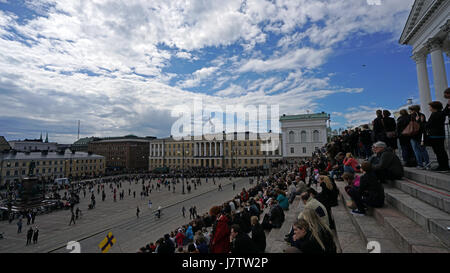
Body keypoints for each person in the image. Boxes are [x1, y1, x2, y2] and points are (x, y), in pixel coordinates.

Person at [426, 101, 450, 171]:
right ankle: (444, 165)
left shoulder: (434, 114)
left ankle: (443, 166)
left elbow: (429, 125)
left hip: (434, 135)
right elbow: (445, 111)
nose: (429, 108)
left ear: (434, 107)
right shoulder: (441, 114)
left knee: (438, 152)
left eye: (430, 107)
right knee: (442, 151)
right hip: (441, 135)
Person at [408, 105, 430, 170]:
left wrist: (417, 122)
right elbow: (423, 125)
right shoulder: (422, 115)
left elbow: (413, 126)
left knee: (416, 150)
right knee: (423, 150)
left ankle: (420, 164)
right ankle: (427, 164)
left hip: (414, 136)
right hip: (422, 135)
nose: (410, 111)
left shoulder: (411, 116)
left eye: (410, 110)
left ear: (413, 110)